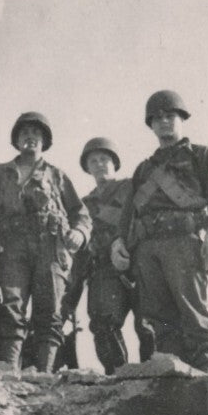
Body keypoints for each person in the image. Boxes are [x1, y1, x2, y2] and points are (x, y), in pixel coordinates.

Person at [112, 90, 208, 369]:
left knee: (196, 319)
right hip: (148, 249)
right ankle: (176, 387)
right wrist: (119, 242)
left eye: (170, 116)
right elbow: (129, 212)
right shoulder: (144, 169)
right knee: (161, 324)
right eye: (158, 118)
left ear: (182, 120)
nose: (164, 122)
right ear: (151, 125)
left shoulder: (201, 155)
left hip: (183, 242)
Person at [0, 112, 91, 374]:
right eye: (24, 133)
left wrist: (79, 233)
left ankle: (44, 373)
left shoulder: (57, 176)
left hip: (50, 248)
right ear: (16, 141)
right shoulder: (0, 174)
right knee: (12, 308)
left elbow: (81, 214)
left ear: (44, 141)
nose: (30, 137)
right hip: (12, 247)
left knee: (50, 311)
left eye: (36, 134)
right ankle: (7, 371)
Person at [70, 137, 154, 374]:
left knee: (149, 324)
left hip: (138, 263)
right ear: (87, 168)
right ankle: (118, 377)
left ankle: (153, 375)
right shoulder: (83, 205)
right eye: (93, 161)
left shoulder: (131, 187)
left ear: (114, 163)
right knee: (103, 323)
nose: (99, 165)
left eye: (104, 159)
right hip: (103, 269)